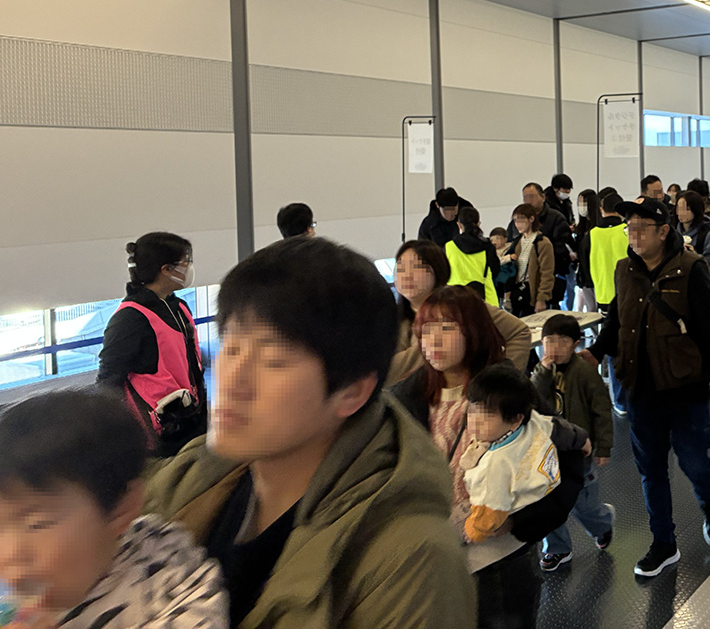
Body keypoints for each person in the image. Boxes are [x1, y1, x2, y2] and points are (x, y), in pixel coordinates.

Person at [145, 237, 475, 628]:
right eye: (230, 347)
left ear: (352, 391)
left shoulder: (411, 565)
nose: (232, 380)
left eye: (273, 359)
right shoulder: (202, 471)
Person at [391, 286, 584, 629]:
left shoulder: (505, 391)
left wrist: (518, 524)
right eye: (426, 330)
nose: (433, 340)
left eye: (447, 328)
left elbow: (565, 468)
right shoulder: (407, 397)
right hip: (433, 563)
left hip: (498, 563)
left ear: (474, 332)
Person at [583, 197, 710, 577]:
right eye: (629, 229)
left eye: (641, 228)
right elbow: (617, 320)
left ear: (664, 231)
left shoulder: (691, 269)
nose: (633, 235)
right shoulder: (624, 270)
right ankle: (664, 543)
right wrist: (596, 352)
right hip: (640, 389)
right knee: (651, 472)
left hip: (685, 388)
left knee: (694, 462)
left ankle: (709, 501)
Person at [0, 389, 228, 629]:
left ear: (122, 508)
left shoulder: (173, 584)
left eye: (37, 523)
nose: (9, 554)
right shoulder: (33, 587)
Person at [97, 232, 207, 457]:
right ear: (166, 269)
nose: (189, 268)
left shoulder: (178, 306)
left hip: (192, 416)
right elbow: (108, 381)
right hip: (160, 433)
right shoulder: (130, 318)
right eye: (186, 263)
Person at [460, 365, 580, 545]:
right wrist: (579, 439)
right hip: (545, 481)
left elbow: (492, 509)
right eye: (472, 411)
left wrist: (475, 531)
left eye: (487, 416)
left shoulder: (496, 465)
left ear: (516, 420)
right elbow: (550, 425)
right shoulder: (531, 423)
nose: (475, 422)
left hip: (516, 507)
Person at [532, 315, 615, 572]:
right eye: (549, 341)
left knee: (584, 505)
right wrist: (543, 372)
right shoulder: (542, 371)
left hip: (580, 453)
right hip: (548, 452)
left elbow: (601, 411)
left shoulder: (585, 373)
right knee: (548, 502)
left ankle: (602, 523)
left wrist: (603, 447)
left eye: (562, 342)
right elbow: (533, 399)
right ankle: (557, 548)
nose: (554, 348)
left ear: (575, 344)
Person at [391, 240, 531, 384]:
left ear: (438, 270)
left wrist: (503, 382)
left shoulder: (462, 305)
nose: (406, 275)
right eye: (400, 268)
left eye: (416, 267)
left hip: (471, 393)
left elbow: (519, 332)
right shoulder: (392, 319)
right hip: (425, 396)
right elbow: (387, 373)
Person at [580, 192, 631, 416]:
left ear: (602, 209)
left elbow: (584, 269)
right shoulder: (627, 231)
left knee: (612, 345)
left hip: (603, 296)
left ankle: (619, 400)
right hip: (629, 293)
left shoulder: (591, 235)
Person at [508, 183, 575, 308]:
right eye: (525, 197)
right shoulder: (517, 232)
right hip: (522, 287)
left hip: (549, 281)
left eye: (532, 196)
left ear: (543, 197)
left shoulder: (555, 219)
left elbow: (563, 249)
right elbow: (510, 246)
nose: (528, 200)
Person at [509, 203, 556, 316]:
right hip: (518, 291)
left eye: (520, 220)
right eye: (515, 221)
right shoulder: (517, 242)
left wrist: (542, 298)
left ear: (531, 219)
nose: (517, 224)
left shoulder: (542, 243)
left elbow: (547, 273)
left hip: (532, 292)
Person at [448, 207, 501, 306]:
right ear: (479, 223)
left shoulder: (448, 247)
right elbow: (496, 270)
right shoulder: (488, 246)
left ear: (459, 225)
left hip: (456, 301)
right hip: (487, 302)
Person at [572, 189, 601, 312]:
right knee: (590, 308)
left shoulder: (598, 226)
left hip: (597, 271)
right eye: (579, 204)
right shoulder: (580, 228)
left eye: (583, 203)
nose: (581, 207)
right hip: (584, 273)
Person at [676, 190, 710, 263]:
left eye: (687, 209)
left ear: (696, 210)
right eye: (678, 208)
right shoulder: (673, 234)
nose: (681, 212)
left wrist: (695, 256)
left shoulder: (708, 236)